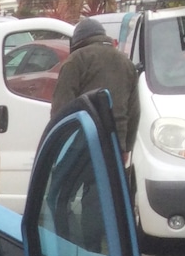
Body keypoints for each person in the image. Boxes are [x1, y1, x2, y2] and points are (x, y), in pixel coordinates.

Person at [50, 16, 139, 158]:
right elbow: (134, 111)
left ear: (78, 41)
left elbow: (61, 108)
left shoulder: (76, 60)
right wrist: (126, 148)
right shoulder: (127, 63)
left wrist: (58, 144)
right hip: (116, 145)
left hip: (83, 146)